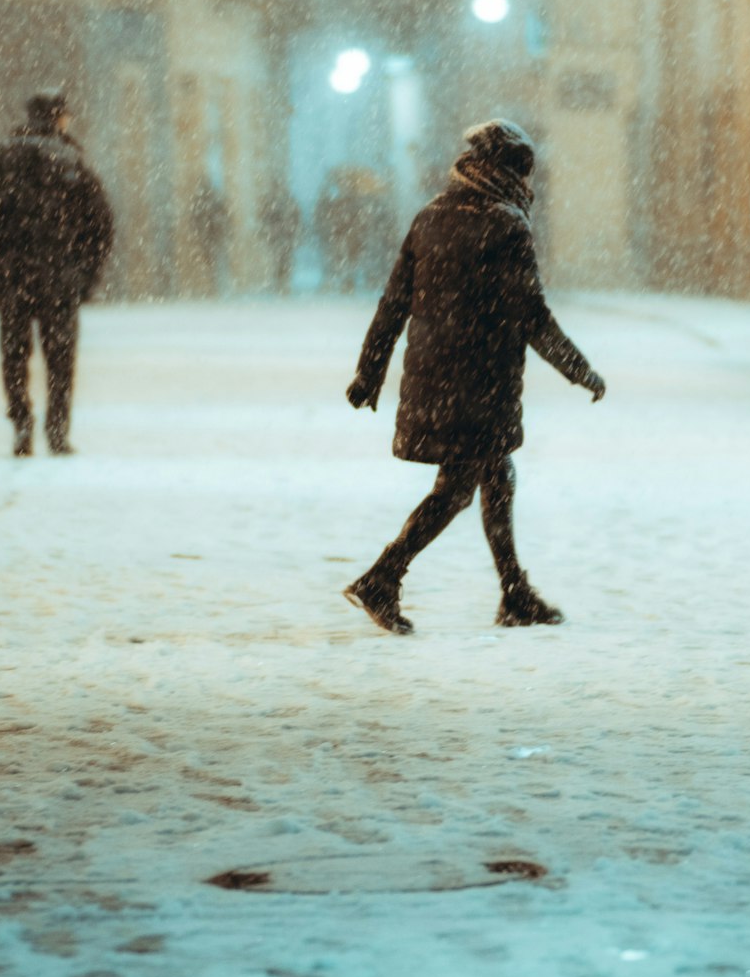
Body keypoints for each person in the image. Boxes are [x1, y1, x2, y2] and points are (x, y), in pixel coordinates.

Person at [343, 118, 605, 634]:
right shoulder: (508, 225)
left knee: (496, 476)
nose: (528, 186)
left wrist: (368, 372)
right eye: (523, 173)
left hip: (434, 378)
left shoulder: (431, 216)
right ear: (506, 171)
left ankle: (514, 592)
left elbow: (393, 304)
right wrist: (581, 370)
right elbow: (532, 315)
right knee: (459, 486)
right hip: (481, 381)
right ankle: (384, 576)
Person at [0, 91, 113, 455]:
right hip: (60, 279)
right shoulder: (72, 164)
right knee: (60, 357)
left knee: (14, 354)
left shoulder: (0, 160)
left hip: (13, 278)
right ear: (59, 119)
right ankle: (57, 431)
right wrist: (86, 274)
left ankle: (21, 425)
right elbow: (100, 225)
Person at [258, 183, 302, 294]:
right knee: (277, 261)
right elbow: (263, 219)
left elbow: (296, 219)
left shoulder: (288, 203)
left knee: (284, 261)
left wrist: (292, 231)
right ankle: (279, 283)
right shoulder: (272, 203)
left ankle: (283, 283)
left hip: (283, 238)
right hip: (276, 238)